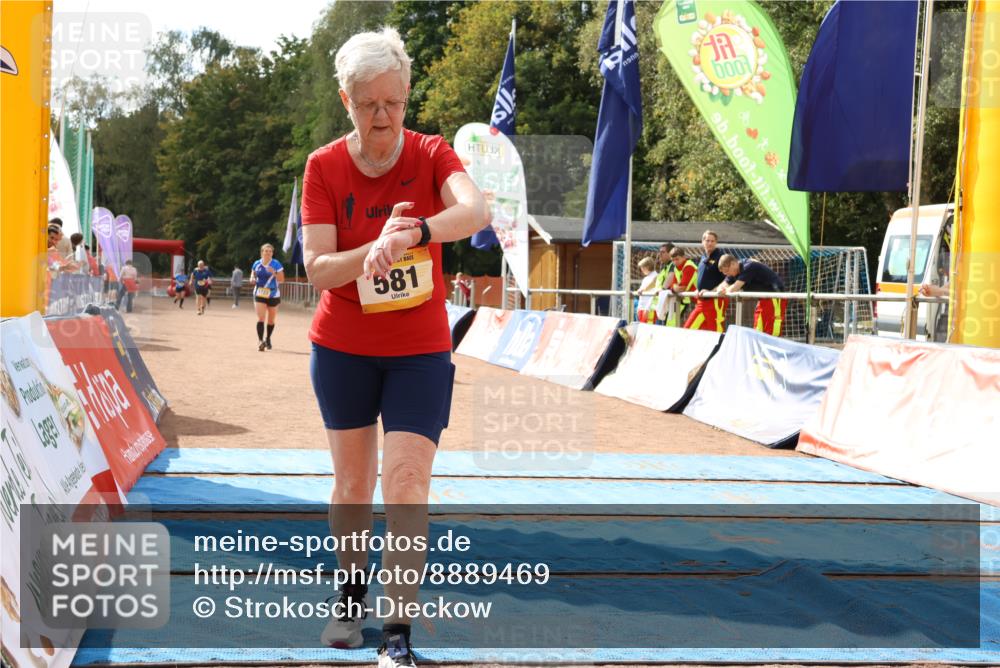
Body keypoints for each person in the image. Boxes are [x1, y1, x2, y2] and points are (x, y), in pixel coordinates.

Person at [300, 27, 489, 668]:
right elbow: (319, 267)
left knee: (405, 481)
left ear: (407, 96)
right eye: (368, 104)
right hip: (344, 346)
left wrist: (413, 235)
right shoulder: (323, 166)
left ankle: (397, 634)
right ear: (344, 99)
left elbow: (477, 212)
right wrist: (371, 250)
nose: (383, 118)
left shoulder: (433, 154)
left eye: (395, 103)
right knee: (352, 484)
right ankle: (350, 597)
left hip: (418, 350)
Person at [715, 254, 787, 336]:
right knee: (758, 328)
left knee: (772, 328)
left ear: (733, 264)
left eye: (727, 271)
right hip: (763, 299)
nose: (727, 274)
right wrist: (720, 289)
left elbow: (734, 288)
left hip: (775, 297)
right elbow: (723, 284)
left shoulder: (748, 266)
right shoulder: (735, 271)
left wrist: (725, 291)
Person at [685, 230, 727, 332]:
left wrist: (713, 291)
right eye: (707, 240)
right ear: (702, 242)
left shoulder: (721, 257)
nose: (710, 243)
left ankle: (722, 348)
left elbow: (728, 279)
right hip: (702, 301)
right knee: (688, 330)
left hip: (715, 301)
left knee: (716, 333)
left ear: (716, 243)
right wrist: (697, 289)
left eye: (712, 241)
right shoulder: (703, 257)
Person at [251, 244, 284, 351]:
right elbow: (253, 273)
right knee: (261, 318)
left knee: (271, 320)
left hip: (273, 294)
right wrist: (252, 278)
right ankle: (260, 341)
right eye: (266, 251)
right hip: (259, 293)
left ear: (272, 253)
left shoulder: (276, 264)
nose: (268, 253)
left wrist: (274, 273)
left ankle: (268, 338)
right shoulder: (257, 263)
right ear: (262, 252)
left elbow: (281, 279)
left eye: (270, 251)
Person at [668, 246, 699, 326]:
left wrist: (674, 288)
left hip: (703, 300)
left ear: (684, 257)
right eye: (673, 260)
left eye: (677, 259)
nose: (675, 262)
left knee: (690, 327)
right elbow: (673, 285)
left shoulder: (689, 267)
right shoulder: (676, 268)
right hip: (694, 301)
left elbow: (682, 288)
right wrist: (674, 287)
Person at [635, 256, 657, 323]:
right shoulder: (645, 279)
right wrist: (639, 307)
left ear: (647, 267)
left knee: (649, 329)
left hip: (649, 309)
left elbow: (654, 296)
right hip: (642, 307)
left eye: (642, 267)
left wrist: (648, 308)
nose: (641, 270)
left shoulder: (656, 276)